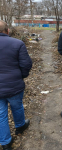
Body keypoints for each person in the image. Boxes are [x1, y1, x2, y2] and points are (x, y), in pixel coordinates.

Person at [0, 20, 32, 150]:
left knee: (0, 114)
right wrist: (20, 76)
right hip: (14, 85)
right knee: (17, 106)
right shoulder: (18, 43)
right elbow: (26, 64)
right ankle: (20, 126)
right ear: (7, 31)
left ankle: (5, 142)